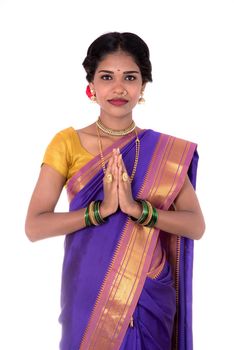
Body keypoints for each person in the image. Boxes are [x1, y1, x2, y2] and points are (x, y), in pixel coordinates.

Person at [25, 32, 205, 350]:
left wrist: (139, 210)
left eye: (130, 77)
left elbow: (195, 225)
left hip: (149, 291)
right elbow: (35, 226)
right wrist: (101, 211)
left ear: (143, 87)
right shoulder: (67, 143)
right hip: (88, 292)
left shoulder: (164, 151)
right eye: (107, 76)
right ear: (91, 86)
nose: (119, 87)